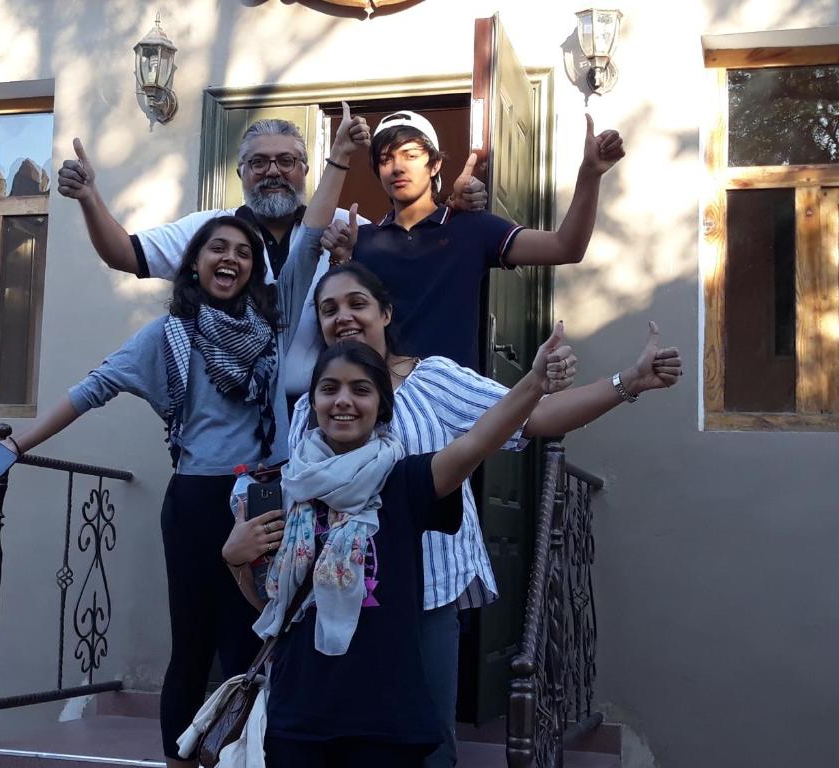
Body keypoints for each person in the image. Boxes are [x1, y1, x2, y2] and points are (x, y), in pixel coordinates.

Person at [225, 262, 683, 768]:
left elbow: (519, 422)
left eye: (357, 303)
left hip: (422, 592)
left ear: (386, 312)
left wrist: (626, 382)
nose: (344, 317)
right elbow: (302, 511)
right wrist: (240, 557)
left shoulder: (431, 380)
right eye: (329, 309)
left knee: (422, 738)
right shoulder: (311, 413)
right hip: (323, 602)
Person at [0, 212, 320, 768]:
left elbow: (311, 239)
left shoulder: (273, 327)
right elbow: (96, 386)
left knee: (253, 646)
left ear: (256, 269)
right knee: (194, 645)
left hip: (266, 499)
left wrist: (341, 159)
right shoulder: (168, 335)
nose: (230, 258)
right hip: (201, 500)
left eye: (243, 252)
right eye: (217, 249)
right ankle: (180, 760)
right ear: (195, 264)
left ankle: (244, 759)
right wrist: (18, 446)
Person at [226, 333, 575, 768]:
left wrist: (533, 385)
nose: (343, 401)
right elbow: (270, 606)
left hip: (386, 716)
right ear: (313, 403)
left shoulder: (406, 480)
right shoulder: (284, 491)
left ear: (381, 406)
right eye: (329, 388)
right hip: (299, 714)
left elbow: (476, 442)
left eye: (361, 389)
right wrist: (235, 559)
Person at [55, 112, 488, 400]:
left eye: (286, 161)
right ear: (241, 173)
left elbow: (415, 263)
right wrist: (90, 197)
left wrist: (457, 212)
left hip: (322, 418)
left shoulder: (346, 226)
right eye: (259, 163)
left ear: (305, 170)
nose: (273, 171)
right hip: (230, 419)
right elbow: (124, 254)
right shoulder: (210, 231)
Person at [316, 109, 626, 370]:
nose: (397, 167)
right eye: (385, 160)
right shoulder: (363, 239)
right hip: (383, 403)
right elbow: (337, 323)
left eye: (410, 155)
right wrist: (340, 256)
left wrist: (590, 174)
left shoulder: (471, 228)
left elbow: (566, 247)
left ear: (435, 163)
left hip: (457, 402)